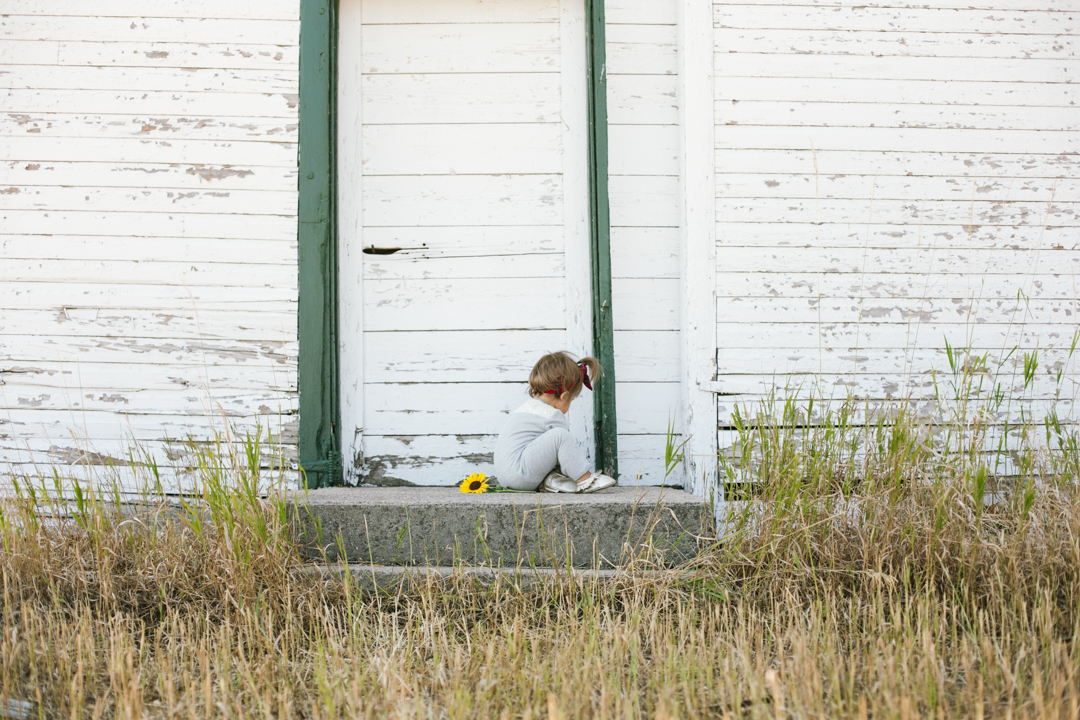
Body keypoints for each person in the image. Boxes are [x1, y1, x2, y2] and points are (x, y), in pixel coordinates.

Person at [493, 351, 618, 493]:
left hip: (506, 476)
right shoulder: (551, 414)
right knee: (560, 436)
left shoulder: (524, 410)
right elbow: (564, 453)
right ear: (564, 396)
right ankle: (585, 480)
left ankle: (550, 481)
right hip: (521, 474)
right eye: (570, 400)